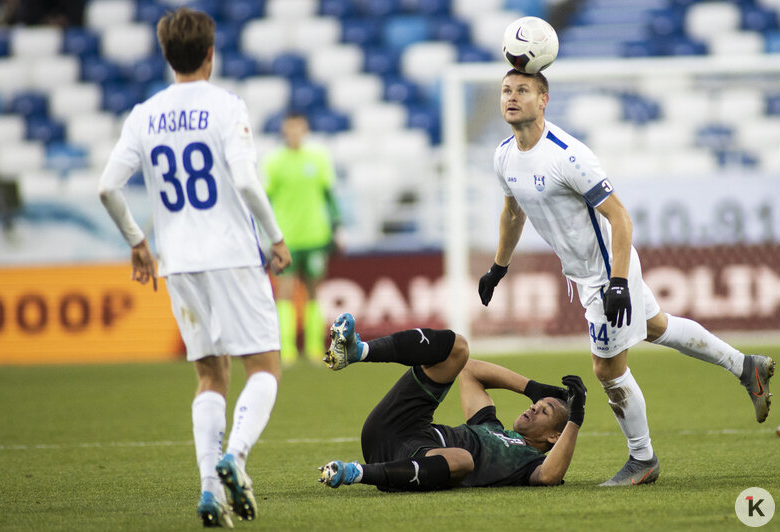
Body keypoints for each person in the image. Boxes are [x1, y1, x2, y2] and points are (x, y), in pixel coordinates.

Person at [478, 68, 776, 486]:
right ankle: (746, 366)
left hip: (606, 274)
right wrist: (499, 266)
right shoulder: (504, 155)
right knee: (656, 326)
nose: (511, 97)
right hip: (586, 275)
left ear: (543, 99)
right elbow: (513, 212)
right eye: (506, 90)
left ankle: (643, 459)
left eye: (523, 90)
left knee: (606, 369)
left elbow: (619, 216)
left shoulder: (567, 154)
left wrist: (617, 281)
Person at [98, 8, 291, 527]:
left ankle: (209, 488)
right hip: (230, 255)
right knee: (265, 368)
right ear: (211, 54)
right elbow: (247, 182)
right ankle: (238, 457)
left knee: (210, 376)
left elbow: (107, 187)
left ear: (166, 55)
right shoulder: (226, 106)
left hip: (178, 262)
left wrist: (138, 242)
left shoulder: (144, 113)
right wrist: (275, 236)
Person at [316, 313, 586, 491]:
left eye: (545, 411)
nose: (534, 407)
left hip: (409, 460)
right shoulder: (490, 424)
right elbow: (470, 370)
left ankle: (357, 473)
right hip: (392, 427)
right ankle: (360, 351)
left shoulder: (528, 464)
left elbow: (550, 476)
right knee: (457, 348)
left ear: (554, 436)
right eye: (538, 404)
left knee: (462, 459)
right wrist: (532, 388)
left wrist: (575, 419)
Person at [262, 112, 341, 365]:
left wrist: (337, 225)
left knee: (314, 291)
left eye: (298, 128)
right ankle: (286, 349)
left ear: (304, 129)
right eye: (289, 129)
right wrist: (266, 233)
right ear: (284, 131)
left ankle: (314, 347)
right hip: (285, 239)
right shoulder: (273, 162)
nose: (294, 133)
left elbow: (329, 195)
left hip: (316, 236)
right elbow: (265, 200)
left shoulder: (318, 158)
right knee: (284, 292)